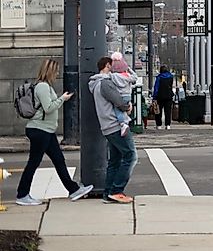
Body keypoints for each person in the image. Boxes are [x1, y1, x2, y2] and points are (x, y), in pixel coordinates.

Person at [13, 59, 94, 205]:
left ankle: (73, 189)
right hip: (40, 129)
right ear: (49, 71)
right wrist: (62, 98)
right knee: (34, 163)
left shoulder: (44, 86)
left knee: (59, 161)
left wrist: (61, 99)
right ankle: (22, 194)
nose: (57, 74)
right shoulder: (43, 87)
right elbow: (48, 107)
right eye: (56, 71)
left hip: (46, 130)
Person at [90, 56, 135, 204]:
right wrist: (127, 107)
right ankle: (117, 190)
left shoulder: (95, 84)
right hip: (115, 125)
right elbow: (118, 101)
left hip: (107, 126)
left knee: (114, 160)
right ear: (107, 66)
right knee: (130, 156)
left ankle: (108, 192)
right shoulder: (105, 83)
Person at [107, 51, 137, 136]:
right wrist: (129, 69)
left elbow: (107, 75)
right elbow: (135, 77)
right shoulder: (127, 76)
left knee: (118, 111)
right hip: (127, 96)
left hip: (119, 96)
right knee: (125, 110)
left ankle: (123, 124)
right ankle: (126, 121)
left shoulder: (113, 76)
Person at [152, 65, 174, 129]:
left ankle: (159, 125)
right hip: (169, 96)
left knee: (158, 111)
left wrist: (154, 97)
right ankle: (168, 125)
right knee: (168, 111)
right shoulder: (171, 77)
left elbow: (156, 87)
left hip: (160, 96)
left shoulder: (159, 77)